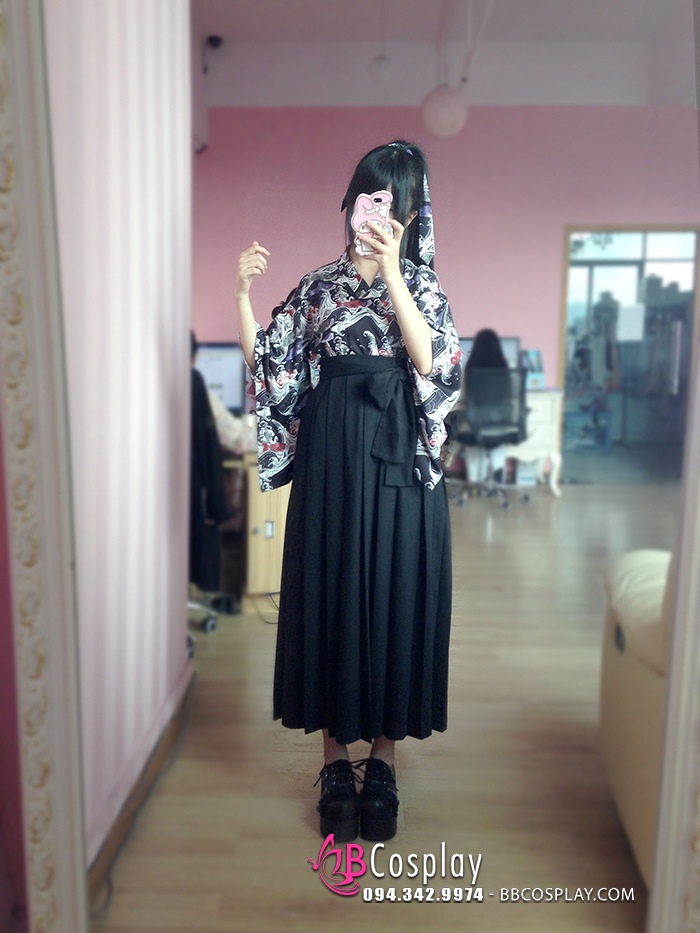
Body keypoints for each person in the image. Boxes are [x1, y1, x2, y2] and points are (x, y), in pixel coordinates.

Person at [235, 141, 462, 843]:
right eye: (368, 196)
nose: (375, 213)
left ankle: (383, 760)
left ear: (412, 215)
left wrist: (393, 270)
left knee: (394, 593)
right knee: (332, 592)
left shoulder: (423, 287)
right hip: (331, 462)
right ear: (352, 202)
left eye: (392, 202)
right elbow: (268, 362)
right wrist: (240, 295)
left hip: (399, 465)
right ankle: (334, 761)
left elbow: (432, 361)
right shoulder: (316, 288)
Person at [463, 328, 510, 483]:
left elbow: (468, 398)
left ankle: (475, 479)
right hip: (499, 422)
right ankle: (497, 477)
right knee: (498, 437)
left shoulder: (471, 368)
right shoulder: (504, 367)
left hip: (477, 422)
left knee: (468, 431)